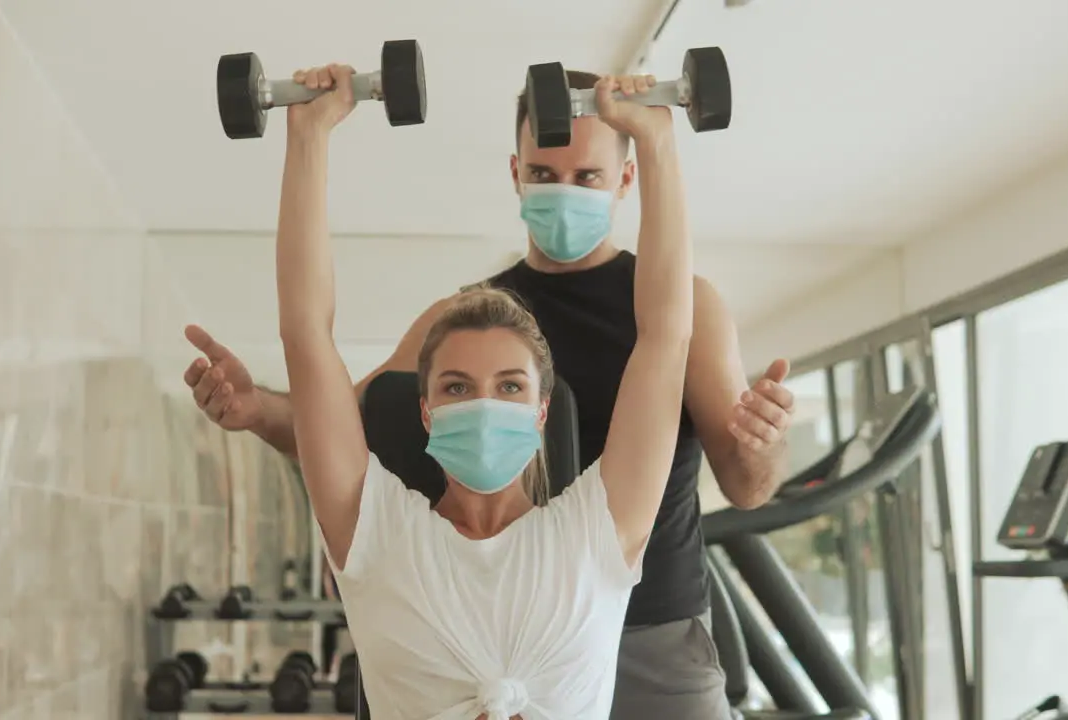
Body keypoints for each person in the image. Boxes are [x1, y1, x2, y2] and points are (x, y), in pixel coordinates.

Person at [183, 67, 796, 718]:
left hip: (654, 622)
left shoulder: (591, 538)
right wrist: (306, 137)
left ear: (541, 412)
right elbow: (314, 361)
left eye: (508, 385)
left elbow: (665, 337)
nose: (482, 404)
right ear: (424, 408)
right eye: (456, 386)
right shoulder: (385, 533)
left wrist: (657, 139)